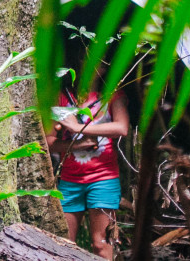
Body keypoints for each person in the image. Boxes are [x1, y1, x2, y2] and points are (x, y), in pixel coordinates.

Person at [46, 82, 130, 260]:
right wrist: (77, 144)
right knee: (64, 243)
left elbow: (121, 128)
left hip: (104, 178)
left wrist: (77, 128)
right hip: (69, 180)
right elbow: (48, 142)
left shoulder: (112, 94)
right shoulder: (62, 97)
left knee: (101, 244)